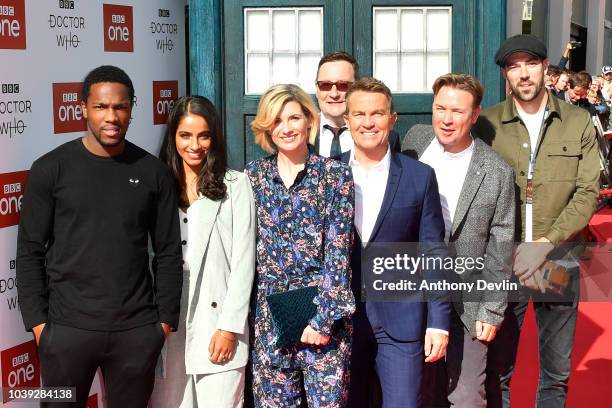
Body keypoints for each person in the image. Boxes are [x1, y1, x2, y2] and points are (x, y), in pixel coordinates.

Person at [16, 65, 183, 407]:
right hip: (65, 332)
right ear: (82, 109)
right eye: (101, 107)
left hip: (136, 332)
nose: (112, 116)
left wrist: (163, 323)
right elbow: (30, 250)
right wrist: (39, 326)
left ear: (132, 108)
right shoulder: (50, 169)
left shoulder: (153, 173)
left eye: (120, 107)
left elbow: (168, 251)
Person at [473, 34, 600, 408]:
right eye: (514, 66)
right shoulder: (487, 124)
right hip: (503, 260)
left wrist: (544, 244)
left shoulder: (577, 121)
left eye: (531, 64)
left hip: (557, 257)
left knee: (556, 375)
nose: (523, 73)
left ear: (546, 67)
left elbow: (587, 192)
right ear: (505, 74)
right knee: (499, 371)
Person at [402, 73, 515, 408]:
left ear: (475, 115)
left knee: (467, 396)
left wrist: (492, 308)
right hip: (412, 294)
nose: (447, 119)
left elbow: (501, 242)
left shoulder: (496, 171)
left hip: (468, 298)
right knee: (417, 392)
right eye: (440, 109)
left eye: (458, 112)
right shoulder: (414, 143)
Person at [342, 78, 451, 408]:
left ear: (393, 118)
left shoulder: (420, 176)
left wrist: (438, 322)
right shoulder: (328, 173)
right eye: (359, 114)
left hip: (402, 320)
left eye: (377, 113)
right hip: (341, 322)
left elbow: (433, 252)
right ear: (346, 120)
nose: (368, 122)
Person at [245, 84, 355, 407]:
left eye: (294, 117)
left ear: (310, 120)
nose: (286, 128)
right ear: (266, 127)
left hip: (324, 319)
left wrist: (322, 320)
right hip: (271, 320)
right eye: (276, 120)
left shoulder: (334, 176)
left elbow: (339, 255)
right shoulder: (253, 178)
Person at [151, 96, 256, 407]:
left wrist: (229, 327)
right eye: (185, 135)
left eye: (204, 135)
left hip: (218, 313)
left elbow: (243, 262)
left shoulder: (236, 184)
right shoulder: (156, 185)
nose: (194, 145)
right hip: (167, 314)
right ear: (173, 137)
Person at [313, 51, 399, 158]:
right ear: (317, 89)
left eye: (343, 85)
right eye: (325, 85)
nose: (334, 94)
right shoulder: (301, 133)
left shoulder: (387, 137)